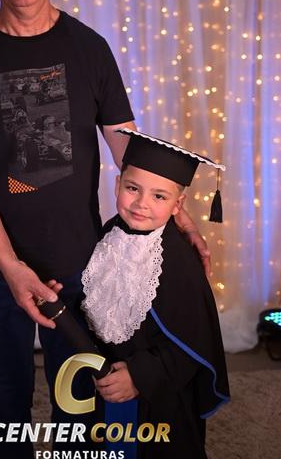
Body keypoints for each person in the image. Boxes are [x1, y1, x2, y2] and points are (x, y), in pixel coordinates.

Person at [0, 0, 211, 458]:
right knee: (5, 399)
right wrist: (9, 265)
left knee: (81, 401)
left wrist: (177, 212)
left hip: (81, 265)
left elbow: (127, 147)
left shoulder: (89, 48)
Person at [81, 128, 230, 458]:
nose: (141, 204)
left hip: (159, 395)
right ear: (117, 185)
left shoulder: (178, 261)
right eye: (132, 188)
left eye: (159, 197)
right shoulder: (110, 233)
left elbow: (193, 341)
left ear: (178, 205)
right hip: (106, 379)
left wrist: (139, 376)